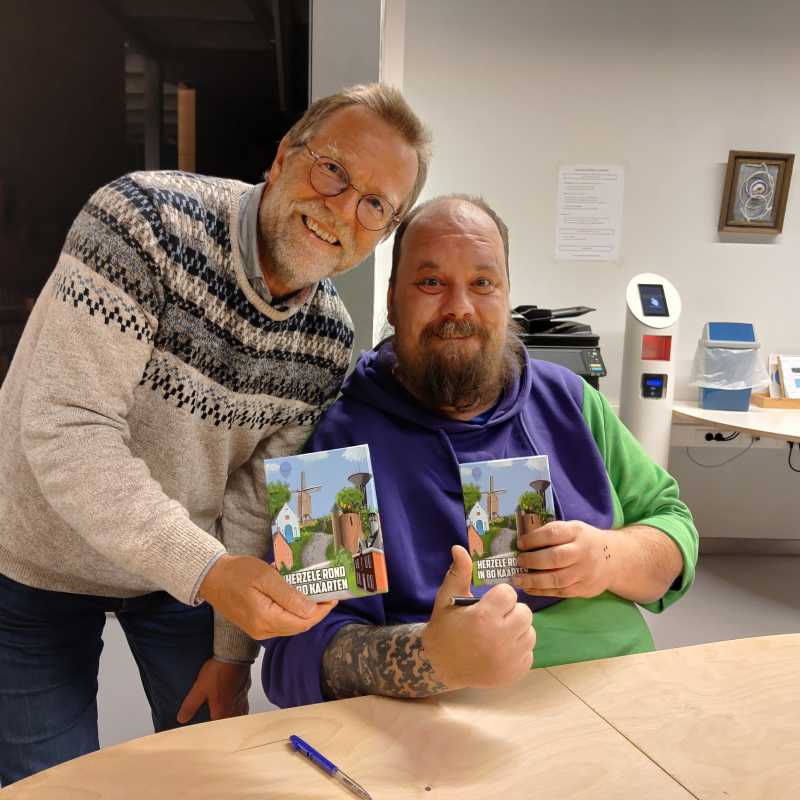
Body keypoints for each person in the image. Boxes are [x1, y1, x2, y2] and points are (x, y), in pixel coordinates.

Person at [0, 84, 431, 784]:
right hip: (35, 559)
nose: (344, 210)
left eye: (375, 205)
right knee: (46, 782)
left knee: (214, 769)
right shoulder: (142, 221)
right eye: (333, 171)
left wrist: (233, 656)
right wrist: (209, 571)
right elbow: (67, 429)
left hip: (182, 578)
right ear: (285, 154)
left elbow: (254, 498)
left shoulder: (327, 341)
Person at [261, 195, 698, 708]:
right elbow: (298, 651)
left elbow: (674, 529)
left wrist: (608, 557)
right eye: (430, 282)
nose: (459, 308)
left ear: (507, 296)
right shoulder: (343, 446)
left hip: (618, 694)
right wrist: (428, 659)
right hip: (449, 729)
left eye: (483, 283)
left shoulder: (570, 402)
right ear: (391, 301)